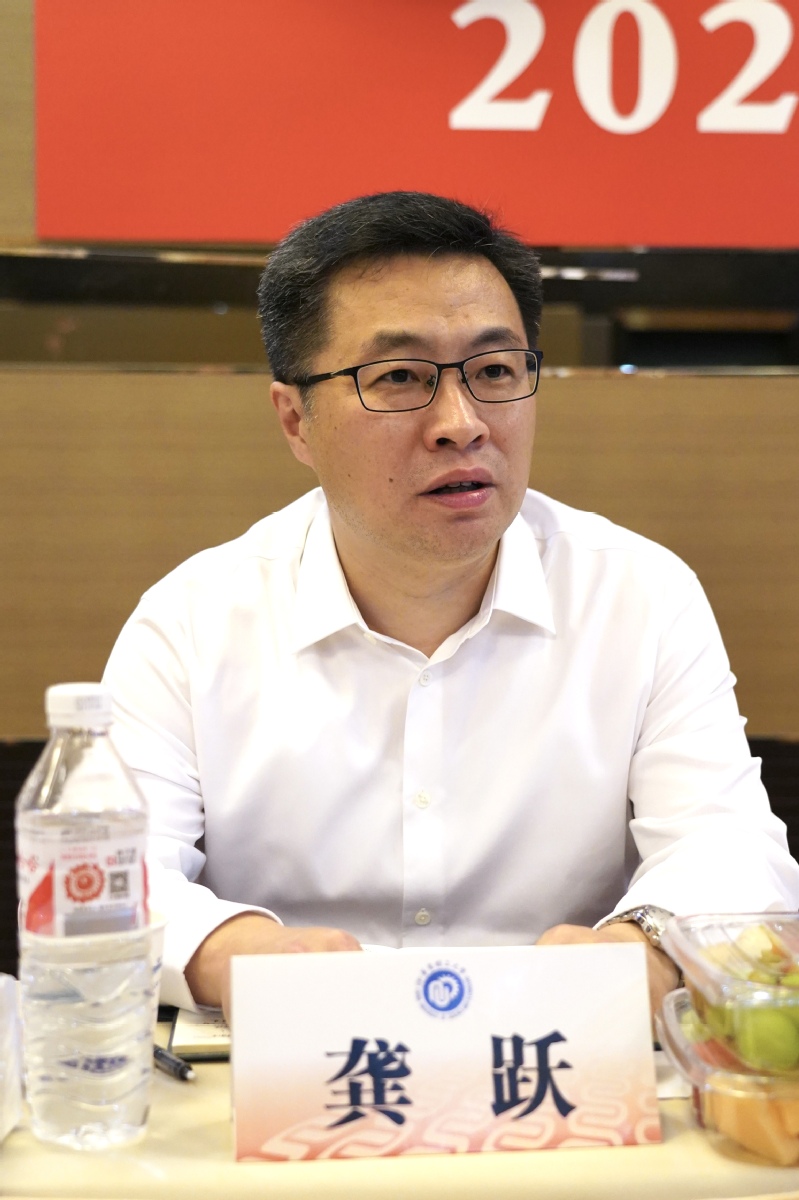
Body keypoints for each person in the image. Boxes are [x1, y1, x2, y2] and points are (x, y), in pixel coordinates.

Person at [103, 191, 799, 1019]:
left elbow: (728, 846)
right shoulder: (190, 622)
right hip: (294, 1057)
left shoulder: (639, 594)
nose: (460, 424)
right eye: (399, 377)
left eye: (494, 371)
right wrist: (230, 953)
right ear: (295, 420)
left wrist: (646, 949)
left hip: (560, 1051)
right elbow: (109, 876)